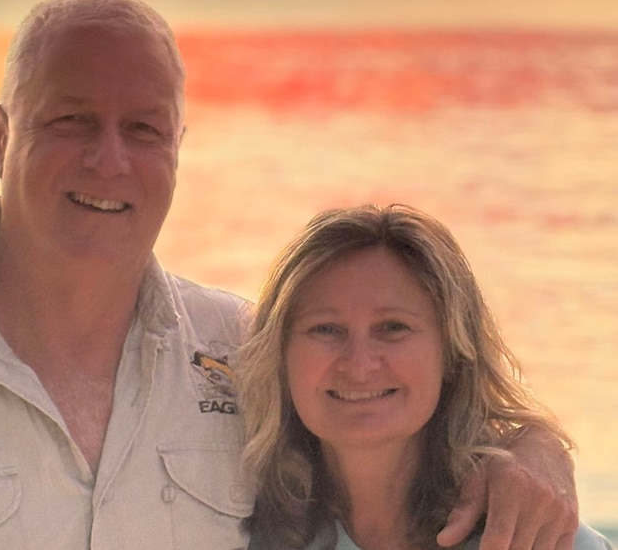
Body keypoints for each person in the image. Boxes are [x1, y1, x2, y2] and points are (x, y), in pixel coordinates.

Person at [0, 0, 579, 550]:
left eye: (144, 129)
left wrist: (539, 451)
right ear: (1, 135)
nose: (109, 159)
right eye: (71, 119)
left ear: (179, 147)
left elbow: (396, 426)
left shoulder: (246, 351)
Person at [238, 204, 611, 550]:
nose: (359, 364)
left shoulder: (535, 535)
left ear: (452, 352)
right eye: (326, 330)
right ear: (279, 354)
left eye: (393, 327)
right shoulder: (232, 523)